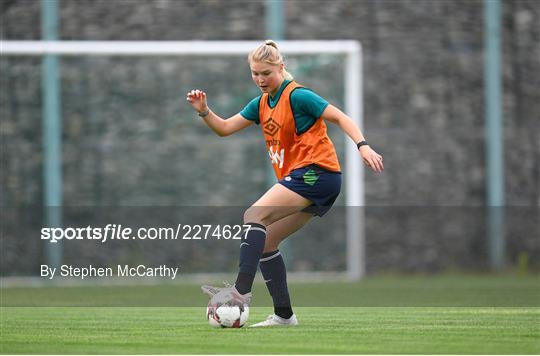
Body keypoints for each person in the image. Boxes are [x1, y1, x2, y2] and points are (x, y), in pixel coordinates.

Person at [186, 40, 383, 327]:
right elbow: (225, 128)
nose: (260, 79)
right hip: (316, 180)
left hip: (317, 173)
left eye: (266, 73)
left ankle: (239, 294)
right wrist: (204, 111)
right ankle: (284, 316)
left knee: (253, 215)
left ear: (281, 67)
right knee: (266, 241)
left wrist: (363, 145)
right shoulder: (261, 104)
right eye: (255, 73)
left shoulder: (299, 96)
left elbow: (340, 117)